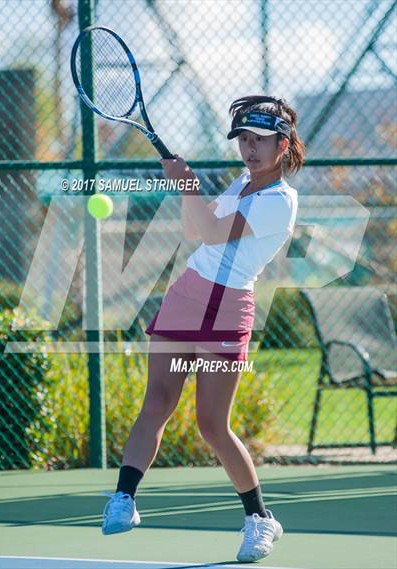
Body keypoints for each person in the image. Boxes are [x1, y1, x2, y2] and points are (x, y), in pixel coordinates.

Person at [102, 95, 305, 563]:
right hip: (186, 297)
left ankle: (259, 519)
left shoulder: (280, 202)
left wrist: (190, 187)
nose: (250, 149)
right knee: (156, 404)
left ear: (283, 144)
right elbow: (197, 232)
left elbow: (213, 232)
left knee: (212, 426)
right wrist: (187, 190)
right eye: (244, 140)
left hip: (228, 308)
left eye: (260, 141)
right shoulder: (241, 183)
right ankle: (124, 498)